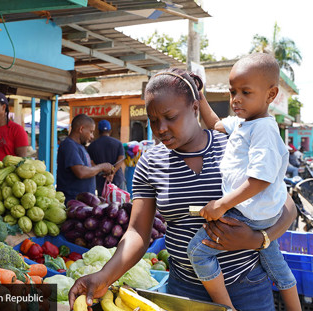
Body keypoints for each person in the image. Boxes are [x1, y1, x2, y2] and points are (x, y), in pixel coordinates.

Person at [68, 68, 297, 311]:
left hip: (248, 286)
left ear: (195, 108)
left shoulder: (234, 144)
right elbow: (137, 231)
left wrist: (258, 239)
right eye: (153, 120)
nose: (161, 128)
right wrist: (103, 276)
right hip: (185, 293)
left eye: (170, 117)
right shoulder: (150, 162)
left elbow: (287, 207)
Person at [195, 53, 299, 310]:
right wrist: (200, 96)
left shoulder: (263, 129)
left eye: (245, 92)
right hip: (264, 213)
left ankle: (226, 307)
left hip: (251, 213)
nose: (236, 99)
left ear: (271, 95)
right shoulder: (245, 123)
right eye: (233, 92)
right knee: (274, 262)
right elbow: (215, 124)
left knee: (198, 252)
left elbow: (260, 180)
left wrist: (221, 204)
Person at [56, 114, 114, 203]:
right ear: (81, 129)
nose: (92, 136)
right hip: (73, 204)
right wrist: (102, 167)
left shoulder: (80, 146)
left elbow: (87, 167)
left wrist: (101, 171)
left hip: (84, 203)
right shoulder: (69, 145)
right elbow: (81, 172)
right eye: (91, 132)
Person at [87, 120, 126, 196]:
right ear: (110, 131)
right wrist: (112, 173)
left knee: (104, 205)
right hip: (117, 179)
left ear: (98, 131)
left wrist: (104, 173)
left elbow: (91, 163)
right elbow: (121, 158)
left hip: (101, 180)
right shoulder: (118, 143)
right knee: (122, 204)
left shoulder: (92, 146)